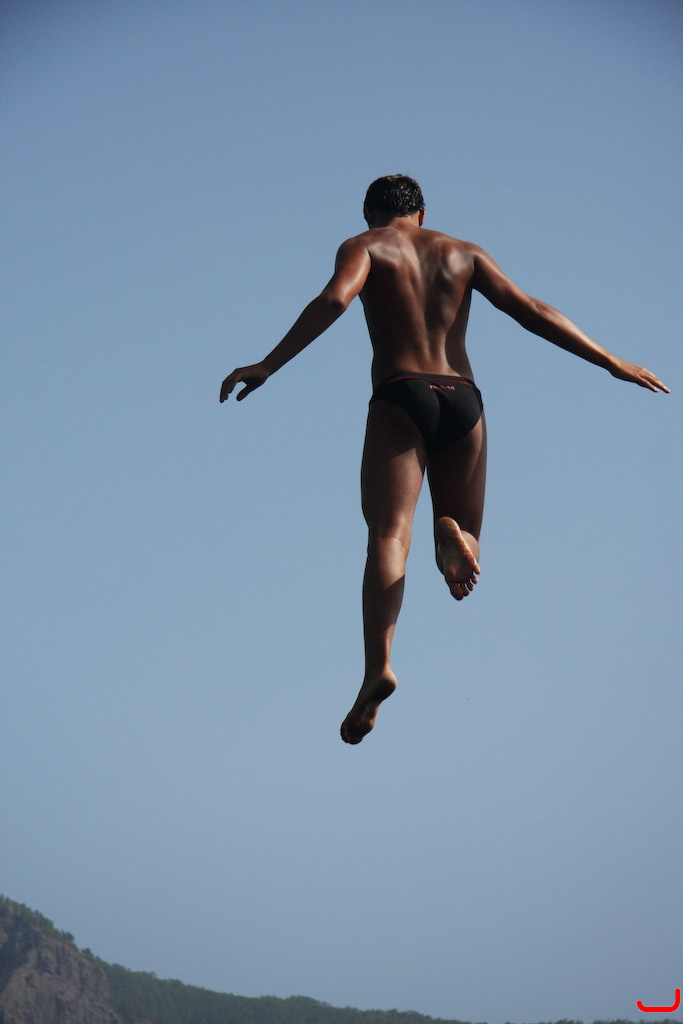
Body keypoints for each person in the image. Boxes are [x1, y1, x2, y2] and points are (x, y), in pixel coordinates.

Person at [220, 174, 669, 746]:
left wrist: (268, 363)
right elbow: (531, 309)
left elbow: (335, 298)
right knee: (467, 531)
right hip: (463, 399)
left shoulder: (365, 246)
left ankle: (378, 666)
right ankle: (452, 535)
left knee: (389, 532)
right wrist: (610, 360)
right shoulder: (465, 253)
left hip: (401, 393)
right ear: (424, 215)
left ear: (370, 213)